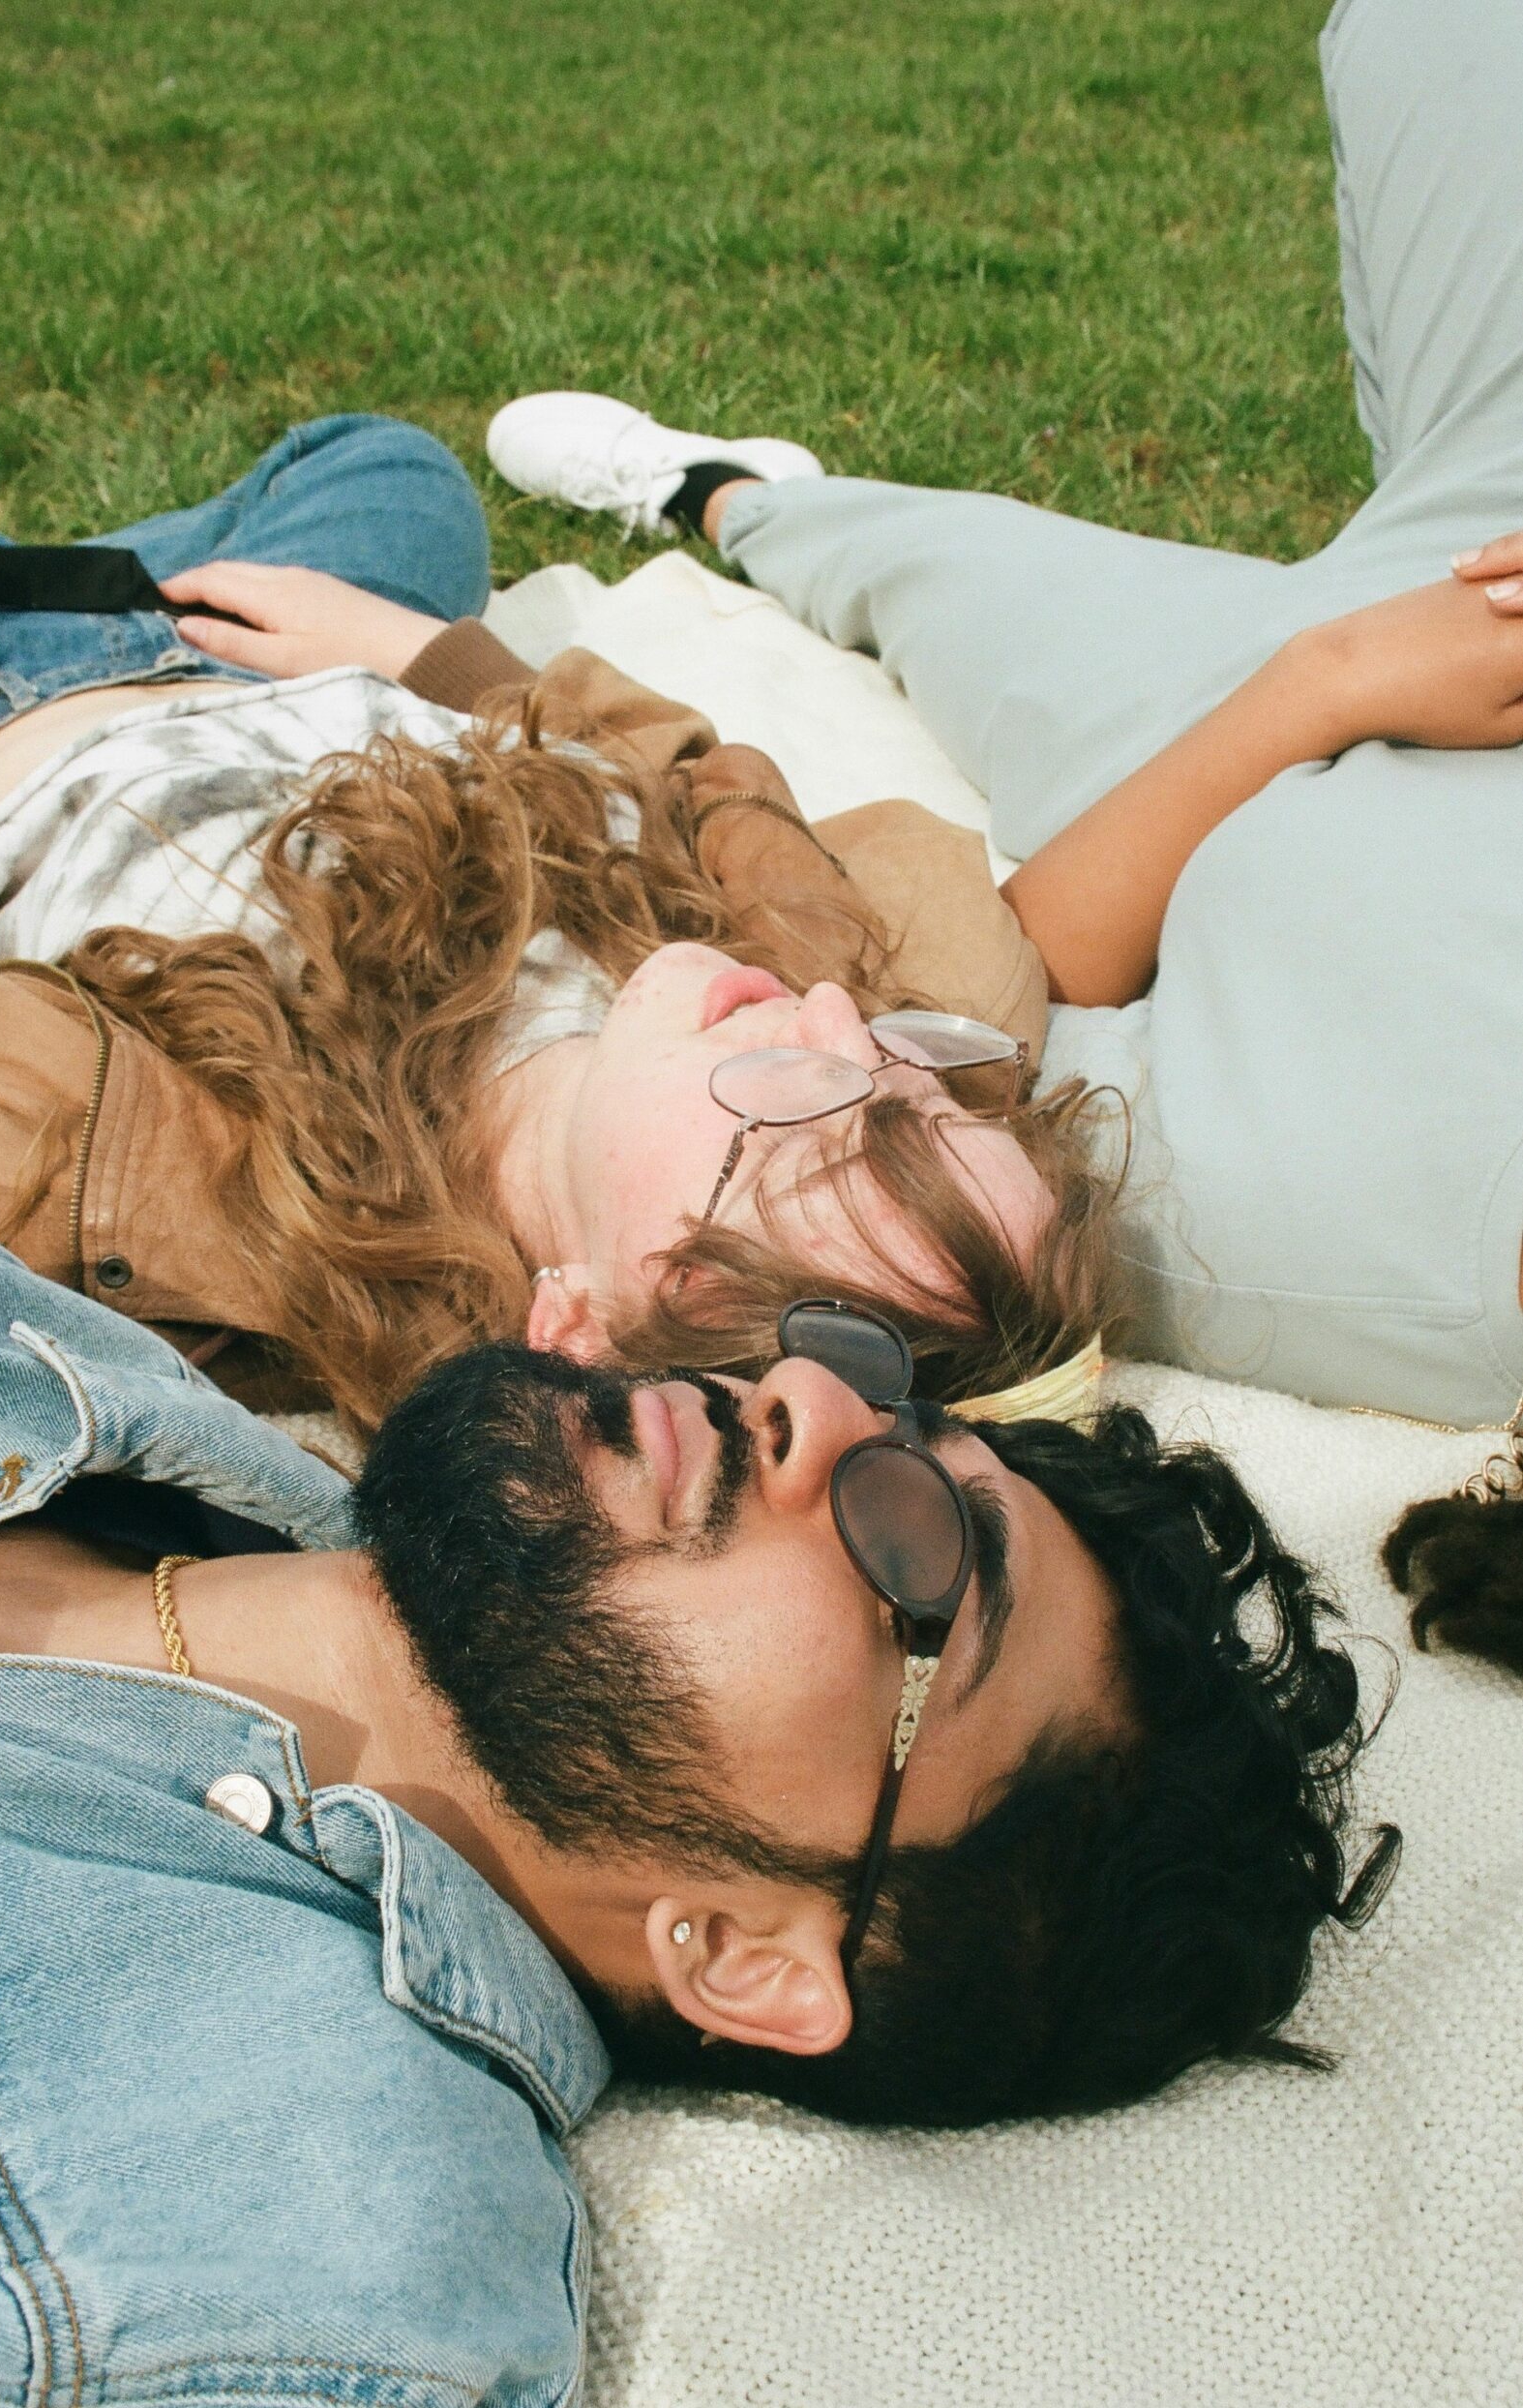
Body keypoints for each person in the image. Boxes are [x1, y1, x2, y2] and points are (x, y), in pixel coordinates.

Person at [0, 1192, 1391, 2408]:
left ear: (743, 1954)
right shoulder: (47, 1365)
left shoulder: (283, 2284)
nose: (811, 1400)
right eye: (905, 1410)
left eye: (919, 1548)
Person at [487, 0, 1523, 1459]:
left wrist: (1324, 681)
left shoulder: (1381, 1234)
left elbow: (1034, 971)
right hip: (1482, 537)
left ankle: (726, 496)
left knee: (932, 577)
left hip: (1204, 728)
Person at [0, 426, 1106, 1435]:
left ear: (581, 1324)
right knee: (390, 470)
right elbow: (704, 780)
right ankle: (13, 564)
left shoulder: (184, 1219)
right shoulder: (761, 989)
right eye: (910, 1071)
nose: (833, 1016)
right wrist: (423, 652)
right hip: (288, 668)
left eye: (805, 1123)